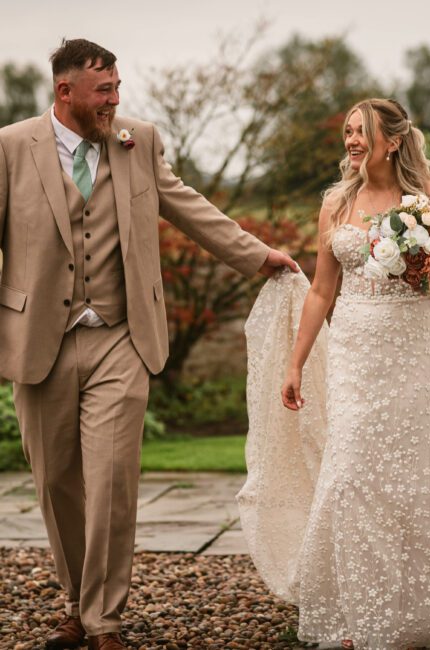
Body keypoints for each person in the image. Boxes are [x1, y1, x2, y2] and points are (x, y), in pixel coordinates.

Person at [0, 38, 296, 650]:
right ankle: (78, 605)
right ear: (65, 93)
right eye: (102, 91)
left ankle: (103, 620)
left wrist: (257, 255)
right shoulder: (10, 148)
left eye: (117, 87)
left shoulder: (139, 140)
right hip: (39, 341)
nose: (114, 99)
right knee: (56, 483)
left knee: (111, 478)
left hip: (120, 337)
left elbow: (186, 204)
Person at [276, 98, 430, 649]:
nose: (352, 140)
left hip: (411, 353)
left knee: (406, 482)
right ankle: (358, 616)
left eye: (363, 131)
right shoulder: (338, 203)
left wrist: (422, 278)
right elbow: (320, 290)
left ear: (392, 139)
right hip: (355, 354)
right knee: (353, 475)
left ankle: (409, 613)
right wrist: (295, 363)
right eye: (347, 131)